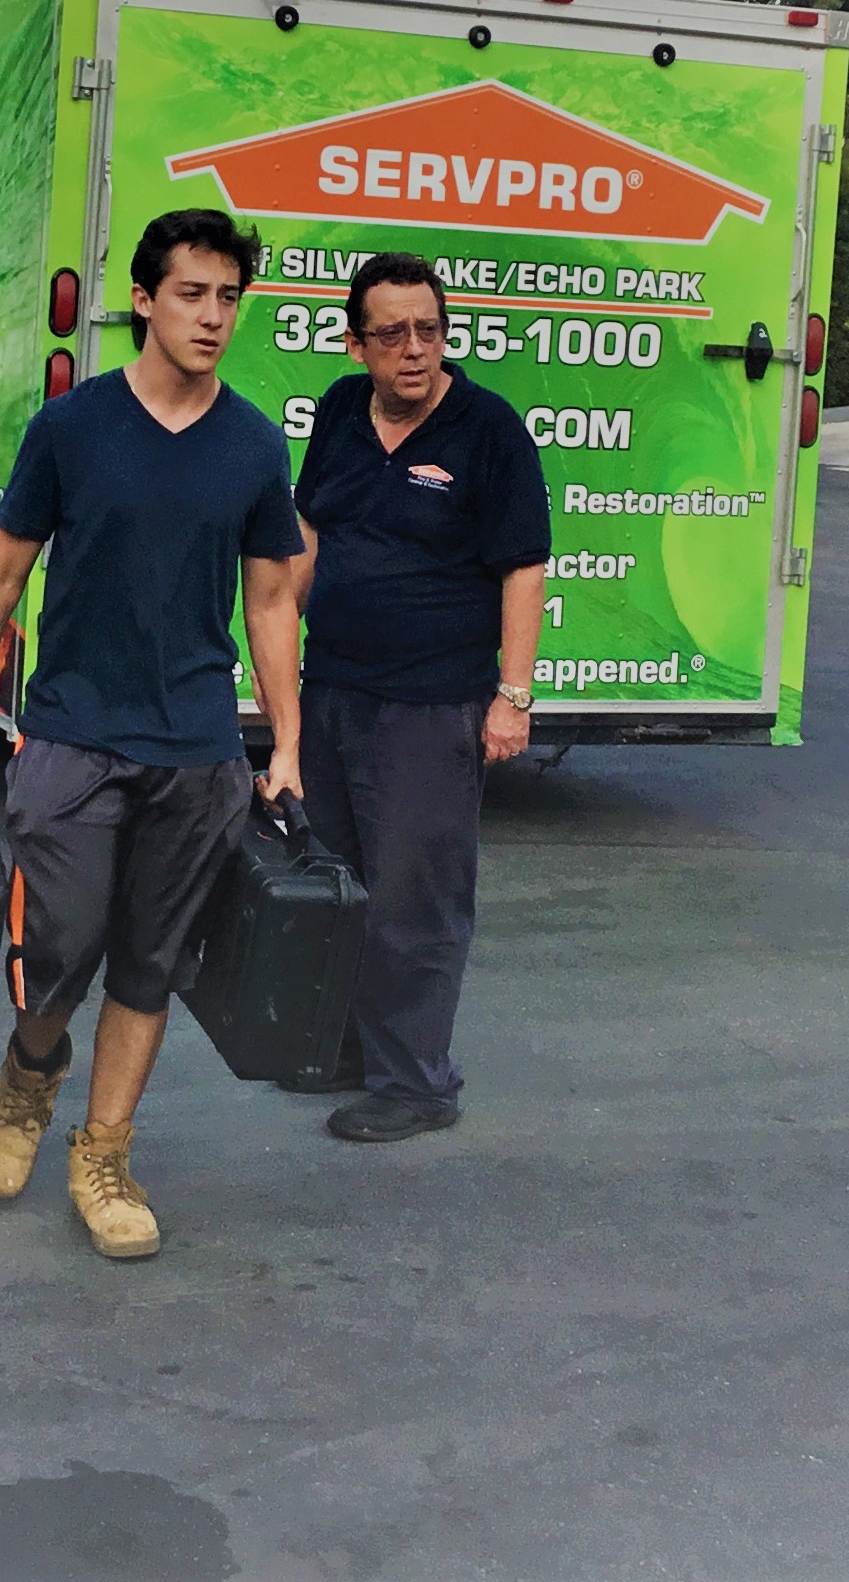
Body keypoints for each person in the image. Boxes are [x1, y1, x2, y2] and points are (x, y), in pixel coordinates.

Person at [0, 209, 307, 1260]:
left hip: (194, 745)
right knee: (60, 942)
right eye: (192, 293)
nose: (214, 316)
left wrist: (284, 746)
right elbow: (2, 572)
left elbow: (272, 604)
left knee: (150, 960)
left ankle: (104, 1154)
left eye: (230, 298)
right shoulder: (74, 427)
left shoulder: (251, 443)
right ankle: (30, 1071)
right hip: (71, 732)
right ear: (145, 299)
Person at [288, 252, 549, 1144]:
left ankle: (418, 1083)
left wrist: (511, 697)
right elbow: (311, 527)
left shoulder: (487, 431)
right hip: (332, 689)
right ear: (356, 340)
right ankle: (362, 1052)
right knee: (342, 881)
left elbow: (523, 567)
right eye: (392, 333)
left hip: (434, 703)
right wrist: (280, 655)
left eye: (429, 330)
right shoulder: (336, 412)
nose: (414, 349)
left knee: (416, 900)